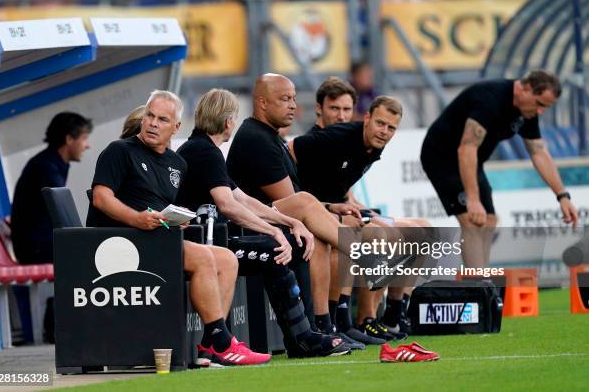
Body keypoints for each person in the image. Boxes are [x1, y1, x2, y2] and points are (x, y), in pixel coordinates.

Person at [86, 90, 270, 367]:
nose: (152, 123)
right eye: (149, 115)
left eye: (162, 119)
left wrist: (176, 219)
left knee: (227, 259)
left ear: (176, 127)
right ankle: (222, 341)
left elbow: (163, 206)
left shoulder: (177, 163)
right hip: (121, 242)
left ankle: (208, 345)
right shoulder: (119, 150)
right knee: (205, 257)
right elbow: (101, 198)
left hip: (156, 239)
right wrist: (137, 219)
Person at [226, 73, 398, 347]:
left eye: (294, 99)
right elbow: (294, 202)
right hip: (249, 225)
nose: (293, 105)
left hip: (273, 217)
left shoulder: (270, 137)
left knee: (324, 233)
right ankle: (362, 257)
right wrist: (325, 209)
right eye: (284, 99)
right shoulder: (256, 138)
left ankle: (330, 324)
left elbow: (294, 200)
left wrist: (331, 205)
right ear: (262, 103)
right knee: (312, 213)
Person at [176, 88, 350, 357]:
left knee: (284, 243)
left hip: (213, 241)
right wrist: (273, 231)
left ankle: (306, 333)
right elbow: (228, 205)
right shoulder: (204, 151)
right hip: (203, 246)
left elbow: (243, 199)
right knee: (274, 252)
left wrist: (287, 222)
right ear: (228, 121)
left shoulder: (204, 149)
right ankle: (302, 338)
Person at [292, 77, 422, 337]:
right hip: (316, 214)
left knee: (421, 231)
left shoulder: (370, 145)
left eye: (346, 109)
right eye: (334, 108)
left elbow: (342, 189)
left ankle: (395, 314)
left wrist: (359, 208)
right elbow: (290, 150)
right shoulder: (333, 137)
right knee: (383, 235)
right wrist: (295, 197)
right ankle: (358, 319)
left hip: (338, 209)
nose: (341, 116)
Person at [421, 69, 579, 267]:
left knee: (489, 220)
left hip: (471, 160)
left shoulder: (527, 111)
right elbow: (466, 148)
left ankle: (480, 282)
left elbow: (539, 152)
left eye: (545, 108)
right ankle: (477, 288)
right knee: (471, 221)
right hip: (442, 156)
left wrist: (562, 196)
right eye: (539, 104)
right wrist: (472, 199)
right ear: (526, 88)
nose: (540, 111)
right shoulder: (490, 99)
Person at [11, 112, 92, 265]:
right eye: (84, 138)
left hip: (40, 244)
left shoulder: (51, 163)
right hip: (37, 249)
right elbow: (64, 213)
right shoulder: (46, 167)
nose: (88, 145)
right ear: (69, 139)